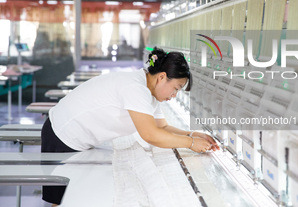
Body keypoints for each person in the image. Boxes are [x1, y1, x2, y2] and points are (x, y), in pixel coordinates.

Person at [41, 46, 219, 206]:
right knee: (63, 200)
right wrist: (190, 144)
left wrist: (192, 134)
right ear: (162, 77)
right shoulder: (136, 88)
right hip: (62, 135)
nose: (174, 95)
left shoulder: (149, 92)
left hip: (77, 136)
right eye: (176, 88)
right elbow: (150, 134)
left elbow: (162, 128)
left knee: (73, 196)